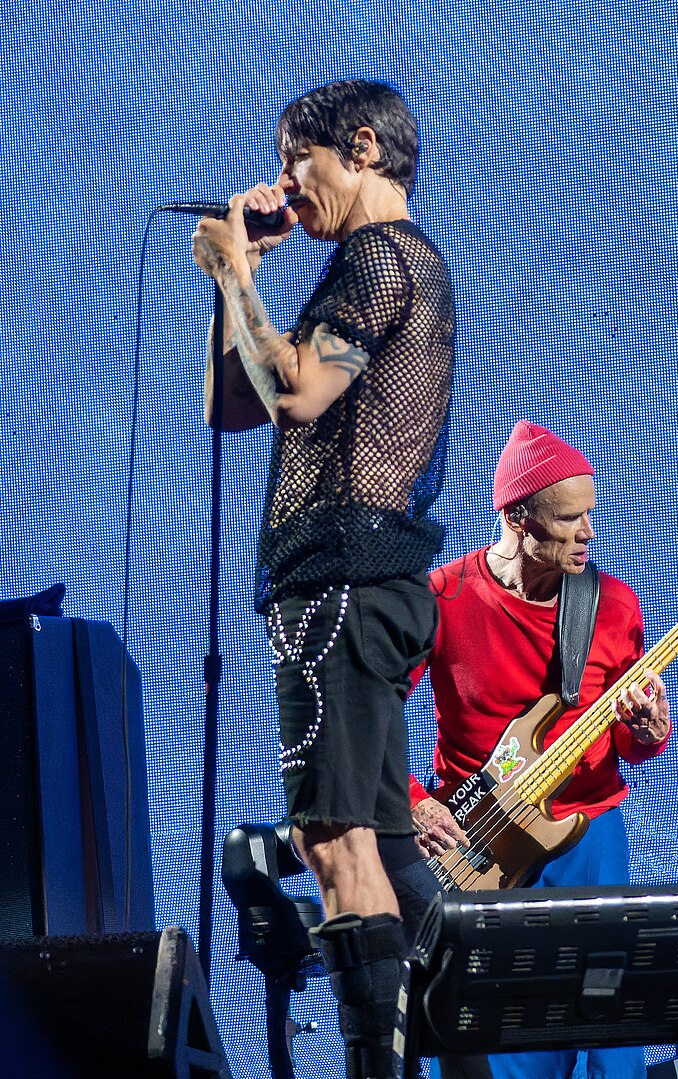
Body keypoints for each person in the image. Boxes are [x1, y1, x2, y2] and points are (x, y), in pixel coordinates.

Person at [193, 79, 452, 1079]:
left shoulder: (381, 256)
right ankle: (466, 1049)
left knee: (333, 841)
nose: (287, 184)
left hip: (341, 582)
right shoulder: (380, 263)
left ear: (362, 146)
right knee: (382, 849)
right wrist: (242, 278)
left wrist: (237, 273)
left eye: (297, 159)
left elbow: (297, 391)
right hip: (359, 582)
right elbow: (235, 404)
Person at [409, 420, 670, 1079]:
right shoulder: (442, 597)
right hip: (479, 838)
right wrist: (412, 802)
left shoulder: (612, 605)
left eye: (591, 515)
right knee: (505, 1035)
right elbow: (371, 715)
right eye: (570, 518)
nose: (589, 532)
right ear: (518, 517)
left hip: (589, 831)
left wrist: (648, 732)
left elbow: (628, 739)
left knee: (608, 1029)